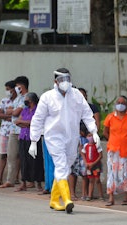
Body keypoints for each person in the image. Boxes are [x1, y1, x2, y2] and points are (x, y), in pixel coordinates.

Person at [29, 68, 100, 214]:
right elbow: (38, 119)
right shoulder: (47, 97)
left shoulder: (76, 96)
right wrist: (33, 140)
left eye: (68, 79)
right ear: (55, 81)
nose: (65, 83)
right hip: (54, 137)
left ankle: (54, 200)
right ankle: (67, 200)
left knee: (65, 167)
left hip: (72, 138)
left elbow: (87, 114)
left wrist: (94, 131)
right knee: (61, 166)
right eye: (62, 80)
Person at [0, 76, 28, 188]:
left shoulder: (27, 98)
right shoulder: (17, 99)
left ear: (22, 86)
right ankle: (10, 180)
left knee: (24, 157)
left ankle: (26, 181)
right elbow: (9, 110)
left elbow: (16, 112)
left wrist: (12, 111)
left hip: (23, 130)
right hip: (13, 130)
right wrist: (12, 111)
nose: (15, 89)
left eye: (17, 86)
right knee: (11, 155)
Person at [15, 92, 44, 192]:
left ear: (31, 100)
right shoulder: (25, 110)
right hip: (23, 137)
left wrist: (28, 123)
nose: (25, 100)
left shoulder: (38, 110)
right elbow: (17, 122)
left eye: (26, 99)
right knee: (24, 161)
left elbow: (35, 123)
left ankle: (38, 183)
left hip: (34, 139)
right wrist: (28, 124)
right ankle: (23, 183)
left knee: (36, 161)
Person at [0, 81, 17, 186]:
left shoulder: (19, 101)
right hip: (4, 131)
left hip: (14, 130)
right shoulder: (4, 101)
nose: (7, 91)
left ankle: (15, 177)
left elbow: (17, 114)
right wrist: (10, 115)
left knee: (15, 156)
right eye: (6, 89)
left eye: (8, 89)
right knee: (3, 154)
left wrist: (8, 114)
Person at [81, 131, 104, 201]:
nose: (90, 137)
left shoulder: (97, 145)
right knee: (90, 179)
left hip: (96, 165)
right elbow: (82, 153)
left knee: (97, 179)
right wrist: (86, 162)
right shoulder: (86, 146)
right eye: (88, 135)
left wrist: (93, 163)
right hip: (88, 166)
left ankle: (101, 195)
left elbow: (100, 156)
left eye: (91, 136)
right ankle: (89, 195)